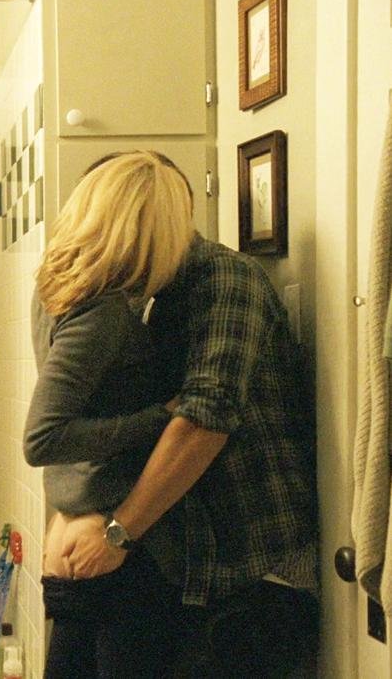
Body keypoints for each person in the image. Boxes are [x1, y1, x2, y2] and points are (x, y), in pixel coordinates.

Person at [26, 151, 318, 677]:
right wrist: (76, 511)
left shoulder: (223, 279)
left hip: (245, 573)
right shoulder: (136, 291)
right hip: (179, 562)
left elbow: (202, 421)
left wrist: (118, 532)